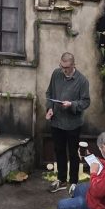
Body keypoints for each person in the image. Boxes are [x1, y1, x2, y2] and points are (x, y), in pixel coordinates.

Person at [45, 52, 91, 192]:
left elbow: (86, 102)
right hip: (57, 121)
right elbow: (49, 94)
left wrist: (71, 104)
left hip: (73, 124)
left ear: (73, 65)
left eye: (66, 67)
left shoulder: (82, 81)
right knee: (59, 150)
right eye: (62, 66)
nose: (63, 70)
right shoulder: (56, 74)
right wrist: (50, 108)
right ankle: (62, 179)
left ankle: (74, 182)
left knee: (73, 153)